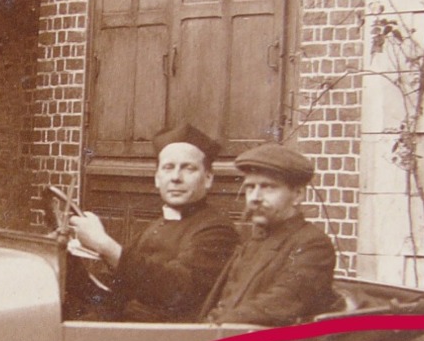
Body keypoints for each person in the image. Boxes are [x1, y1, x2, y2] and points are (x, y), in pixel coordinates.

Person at [69, 124, 239, 322]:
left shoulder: (217, 230)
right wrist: (68, 260)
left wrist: (104, 245)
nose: (176, 178)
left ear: (208, 179)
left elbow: (176, 289)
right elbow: (117, 287)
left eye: (188, 168)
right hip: (129, 328)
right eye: (168, 168)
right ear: (158, 178)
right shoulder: (156, 226)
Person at [201, 141, 339, 326]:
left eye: (268, 187)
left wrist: (215, 327)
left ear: (297, 195)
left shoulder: (312, 245)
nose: (255, 197)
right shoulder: (251, 242)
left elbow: (280, 303)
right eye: (250, 187)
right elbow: (228, 300)